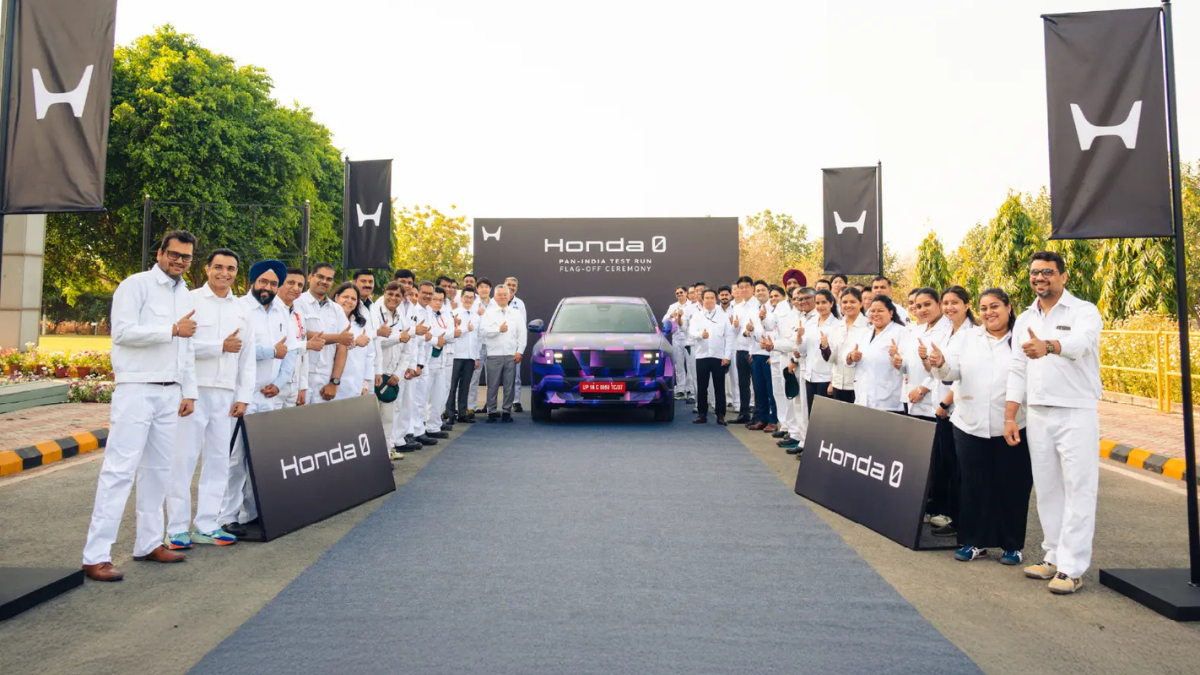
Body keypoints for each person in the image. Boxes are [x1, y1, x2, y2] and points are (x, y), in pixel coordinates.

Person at [81, 231, 199, 582]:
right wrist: (172, 330)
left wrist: (188, 390)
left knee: (159, 470)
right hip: (136, 388)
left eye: (186, 257)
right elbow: (122, 332)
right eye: (174, 254)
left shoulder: (185, 294)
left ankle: (149, 542)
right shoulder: (135, 285)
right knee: (119, 470)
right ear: (160, 253)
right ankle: (96, 555)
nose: (179, 261)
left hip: (170, 391)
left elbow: (187, 348)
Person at [1005, 251, 1102, 595]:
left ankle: (1073, 568)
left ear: (1062, 276)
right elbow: (1017, 368)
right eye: (1034, 272)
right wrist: (1010, 415)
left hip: (1075, 411)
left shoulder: (1083, 311)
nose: (1040, 277)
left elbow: (1081, 344)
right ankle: (1054, 556)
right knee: (1047, 489)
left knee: (1079, 488)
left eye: (1047, 271)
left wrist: (1050, 345)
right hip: (1039, 414)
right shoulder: (1025, 317)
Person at [929, 287, 1032, 566]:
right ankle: (974, 541)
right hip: (969, 424)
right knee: (974, 486)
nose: (989, 313)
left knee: (1012, 486)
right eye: (984, 308)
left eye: (995, 306)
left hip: (1012, 424)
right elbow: (952, 373)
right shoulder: (968, 337)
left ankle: (1012, 545)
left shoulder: (1022, 339)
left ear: (1009, 308)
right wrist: (939, 364)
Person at [165, 249, 254, 551]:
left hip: (226, 395)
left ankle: (207, 524)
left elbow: (247, 357)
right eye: (218, 267)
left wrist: (243, 396)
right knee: (184, 460)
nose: (224, 273)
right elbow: (181, 346)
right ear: (206, 269)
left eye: (231, 268)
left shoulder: (242, 309)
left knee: (218, 461)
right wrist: (219, 346)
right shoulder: (189, 301)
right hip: (194, 392)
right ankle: (176, 528)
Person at [221, 260, 298, 537]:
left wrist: (278, 384)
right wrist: (270, 353)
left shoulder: (283, 312)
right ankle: (227, 516)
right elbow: (237, 349)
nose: (268, 288)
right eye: (263, 282)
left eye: (274, 283)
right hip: (241, 394)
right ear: (253, 281)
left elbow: (289, 351)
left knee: (261, 458)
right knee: (235, 458)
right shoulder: (239, 309)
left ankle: (251, 512)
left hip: (268, 395)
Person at [903, 287, 955, 533]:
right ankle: (929, 503)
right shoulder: (918, 330)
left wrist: (922, 389)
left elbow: (940, 370)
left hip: (935, 401)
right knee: (926, 458)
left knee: (942, 460)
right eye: (918, 306)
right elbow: (914, 365)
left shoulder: (947, 330)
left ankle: (942, 509)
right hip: (915, 399)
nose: (922, 309)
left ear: (938, 305)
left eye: (927, 305)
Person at [371, 280, 416, 458]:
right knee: (372, 418)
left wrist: (398, 374)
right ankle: (373, 454)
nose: (393, 298)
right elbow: (377, 341)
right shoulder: (374, 313)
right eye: (390, 294)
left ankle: (387, 450)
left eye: (398, 295)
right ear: (384, 293)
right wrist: (399, 337)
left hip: (392, 375)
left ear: (402, 298)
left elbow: (407, 349)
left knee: (389, 418)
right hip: (376, 374)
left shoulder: (401, 318)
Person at [297, 263, 352, 406]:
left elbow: (342, 346)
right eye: (320, 276)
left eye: (329, 279)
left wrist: (334, 381)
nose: (324, 281)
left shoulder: (336, 309)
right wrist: (337, 338)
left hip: (325, 379)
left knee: (319, 427)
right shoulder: (297, 302)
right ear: (310, 277)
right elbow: (300, 335)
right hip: (299, 377)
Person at [851, 296, 906, 412]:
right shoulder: (866, 332)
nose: (875, 314)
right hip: (863, 396)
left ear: (891, 313)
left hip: (888, 400)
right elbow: (848, 358)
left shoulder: (901, 332)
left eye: (880, 310)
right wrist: (852, 356)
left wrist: (897, 357)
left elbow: (905, 364)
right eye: (873, 311)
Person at [688, 289, 733, 424]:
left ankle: (720, 415)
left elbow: (729, 337)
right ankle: (702, 414)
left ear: (715, 299)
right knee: (702, 386)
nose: (709, 300)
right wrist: (701, 335)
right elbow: (691, 332)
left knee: (719, 387)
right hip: (702, 356)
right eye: (706, 298)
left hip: (719, 356)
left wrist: (727, 356)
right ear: (702, 300)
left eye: (711, 298)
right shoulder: (697, 316)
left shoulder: (723, 316)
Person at [481, 285, 521, 422]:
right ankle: (491, 411)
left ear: (509, 297)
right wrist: (498, 329)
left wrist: (520, 351)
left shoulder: (516, 313)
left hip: (510, 354)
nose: (503, 297)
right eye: (500, 294)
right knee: (492, 385)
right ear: (495, 297)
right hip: (494, 354)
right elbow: (483, 332)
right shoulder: (488, 313)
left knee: (509, 385)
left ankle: (506, 411)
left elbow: (522, 334)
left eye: (505, 294)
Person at [764, 285, 798, 437]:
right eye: (789, 283)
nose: (792, 285)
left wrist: (774, 345)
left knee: (792, 395)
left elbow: (794, 340)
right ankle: (784, 425)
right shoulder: (780, 307)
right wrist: (763, 318)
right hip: (777, 355)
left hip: (792, 357)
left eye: (795, 283)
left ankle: (794, 431)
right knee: (779, 392)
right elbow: (771, 326)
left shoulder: (801, 311)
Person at [331, 282, 373, 399]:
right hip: (332, 382)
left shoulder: (361, 324)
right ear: (336, 297)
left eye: (353, 299)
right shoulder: (328, 321)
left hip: (356, 383)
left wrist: (365, 383)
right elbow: (329, 348)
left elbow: (369, 355)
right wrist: (354, 343)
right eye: (345, 297)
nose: (349, 301)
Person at [746, 280, 777, 430]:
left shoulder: (774, 308)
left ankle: (773, 420)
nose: (760, 293)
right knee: (760, 389)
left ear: (768, 291)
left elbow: (774, 330)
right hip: (757, 353)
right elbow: (751, 331)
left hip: (770, 353)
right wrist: (751, 350)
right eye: (757, 291)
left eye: (763, 290)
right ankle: (763, 419)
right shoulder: (753, 309)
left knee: (771, 389)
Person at [278, 268, 311, 408]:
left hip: (293, 382)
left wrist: (302, 385)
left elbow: (304, 355)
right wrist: (305, 345)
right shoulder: (270, 310)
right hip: (273, 382)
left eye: (300, 285)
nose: (295, 288)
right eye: (290, 282)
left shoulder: (298, 313)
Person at [447, 286, 480, 423]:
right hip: (456, 354)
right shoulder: (453, 314)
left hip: (470, 356)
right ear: (461, 298)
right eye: (466, 297)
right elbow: (453, 333)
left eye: (471, 297)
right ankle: (449, 413)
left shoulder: (476, 317)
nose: (468, 300)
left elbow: (478, 338)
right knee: (452, 385)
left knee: (465, 386)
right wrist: (466, 328)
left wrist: (476, 356)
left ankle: (462, 412)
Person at [424, 286, 456, 431]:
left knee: (439, 394)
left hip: (442, 359)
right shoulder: (426, 314)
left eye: (441, 300)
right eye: (435, 299)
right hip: (428, 359)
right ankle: (423, 426)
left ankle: (434, 425)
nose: (437, 303)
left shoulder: (443, 314)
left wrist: (446, 334)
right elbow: (435, 332)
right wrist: (446, 334)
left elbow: (451, 335)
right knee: (425, 395)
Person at [829, 287, 868, 403]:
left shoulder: (868, 326)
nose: (848, 305)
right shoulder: (837, 326)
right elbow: (834, 356)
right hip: (838, 383)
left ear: (860, 303)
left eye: (852, 301)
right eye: (845, 302)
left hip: (857, 385)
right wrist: (831, 381)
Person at [731, 276, 756, 423]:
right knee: (742, 383)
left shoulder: (757, 305)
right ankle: (744, 413)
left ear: (752, 288)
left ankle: (758, 415)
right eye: (741, 287)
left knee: (757, 385)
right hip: (740, 349)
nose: (744, 289)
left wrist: (749, 331)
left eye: (747, 286)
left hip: (754, 350)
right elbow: (735, 331)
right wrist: (735, 327)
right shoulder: (738, 307)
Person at [469, 277, 493, 414]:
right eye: (481, 287)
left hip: (492, 345)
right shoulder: (473, 304)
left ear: (490, 289)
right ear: (477, 289)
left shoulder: (495, 305)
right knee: (474, 377)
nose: (484, 289)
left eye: (487, 287)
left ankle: (490, 406)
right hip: (477, 346)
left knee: (492, 378)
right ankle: (470, 407)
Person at [504, 277, 528, 412]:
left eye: (513, 285)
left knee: (515, 375)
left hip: (513, 345)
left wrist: (520, 347)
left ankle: (516, 401)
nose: (511, 287)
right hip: (497, 345)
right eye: (509, 284)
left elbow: (522, 327)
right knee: (495, 377)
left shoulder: (520, 304)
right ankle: (491, 403)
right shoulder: (496, 302)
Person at [663, 286, 689, 400]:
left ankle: (691, 390)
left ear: (686, 293)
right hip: (677, 337)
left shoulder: (691, 306)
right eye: (677, 293)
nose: (679, 295)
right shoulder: (672, 306)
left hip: (689, 338)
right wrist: (671, 315)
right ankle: (680, 389)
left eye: (681, 292)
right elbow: (664, 320)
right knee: (679, 365)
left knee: (690, 365)